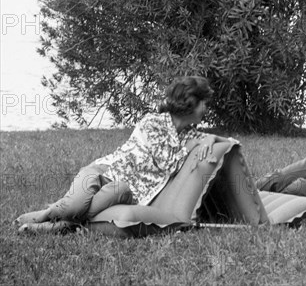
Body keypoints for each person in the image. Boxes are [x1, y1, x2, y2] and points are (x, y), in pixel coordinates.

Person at [15, 76, 233, 234]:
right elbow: (166, 163)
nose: (206, 108)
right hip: (100, 172)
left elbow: (220, 140)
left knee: (113, 191)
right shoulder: (152, 123)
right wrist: (191, 145)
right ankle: (47, 216)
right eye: (204, 102)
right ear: (191, 103)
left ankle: (59, 224)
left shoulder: (187, 133)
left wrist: (208, 139)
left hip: (122, 188)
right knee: (75, 207)